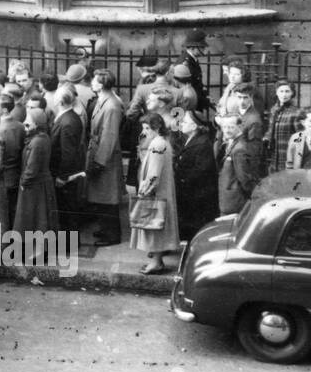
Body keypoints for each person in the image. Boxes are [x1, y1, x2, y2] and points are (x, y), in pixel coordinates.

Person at [131, 113, 179, 274]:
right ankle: (156, 262)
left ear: (157, 128)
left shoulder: (157, 145)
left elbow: (154, 174)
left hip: (156, 193)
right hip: (161, 191)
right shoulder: (162, 142)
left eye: (147, 128)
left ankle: (156, 263)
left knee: (155, 229)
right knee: (157, 229)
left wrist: (144, 191)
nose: (144, 132)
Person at [85, 70, 126, 247]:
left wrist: (99, 162)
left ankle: (112, 235)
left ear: (101, 84)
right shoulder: (105, 100)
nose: (92, 83)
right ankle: (105, 228)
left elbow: (109, 135)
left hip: (106, 157)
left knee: (108, 198)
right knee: (102, 197)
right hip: (100, 152)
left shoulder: (111, 106)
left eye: (94, 81)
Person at [13, 107, 59, 256]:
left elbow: (32, 169)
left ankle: (37, 252)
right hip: (40, 184)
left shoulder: (37, 142)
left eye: (28, 122)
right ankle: (39, 250)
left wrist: (23, 182)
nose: (25, 124)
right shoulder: (42, 138)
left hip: (35, 186)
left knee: (36, 219)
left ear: (37, 124)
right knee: (40, 219)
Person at [174, 109, 219, 241]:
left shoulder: (202, 144)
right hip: (190, 193)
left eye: (185, 122)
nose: (181, 124)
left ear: (194, 126)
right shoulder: (191, 139)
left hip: (196, 196)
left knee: (194, 229)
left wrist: (183, 179)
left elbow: (201, 170)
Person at [0, 93, 24, 233]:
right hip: (16, 176)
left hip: (2, 180)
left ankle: (2, 246)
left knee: (0, 218)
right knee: (14, 215)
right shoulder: (20, 126)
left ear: (5, 109)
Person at [49, 87, 85, 231]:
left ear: (60, 101)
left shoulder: (68, 121)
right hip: (65, 172)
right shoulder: (69, 117)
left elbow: (67, 153)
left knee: (67, 212)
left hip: (65, 174)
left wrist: (62, 177)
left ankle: (69, 242)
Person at [217, 118, 258, 215]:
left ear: (239, 127)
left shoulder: (239, 149)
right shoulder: (231, 143)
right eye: (224, 127)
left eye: (231, 127)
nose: (227, 130)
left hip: (235, 201)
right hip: (229, 199)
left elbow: (244, 178)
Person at [262, 80, 304, 175]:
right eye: (281, 91)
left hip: (288, 155)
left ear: (292, 93)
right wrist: (266, 138)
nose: (284, 95)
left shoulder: (296, 112)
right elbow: (270, 129)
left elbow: (300, 137)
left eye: (287, 91)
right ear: (277, 93)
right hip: (274, 155)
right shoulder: (274, 110)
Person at [180, 29, 211, 114]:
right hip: (189, 105)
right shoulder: (185, 63)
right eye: (202, 47)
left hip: (195, 103)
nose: (204, 50)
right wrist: (204, 100)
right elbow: (187, 89)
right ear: (193, 47)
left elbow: (197, 83)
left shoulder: (192, 60)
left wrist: (206, 96)